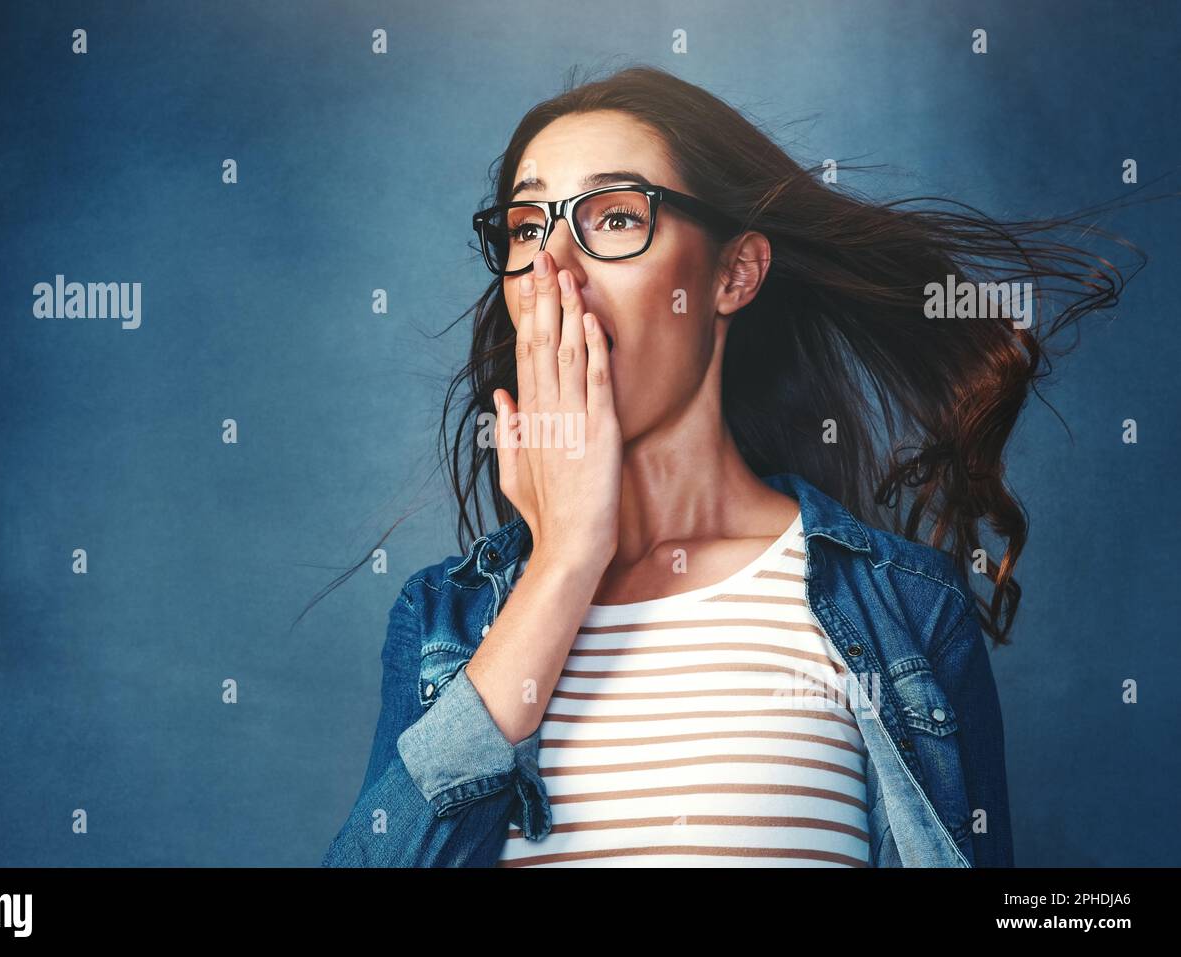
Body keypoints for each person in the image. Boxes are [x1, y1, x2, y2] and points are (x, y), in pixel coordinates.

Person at [316, 64, 1155, 867]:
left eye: (613, 217)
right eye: (529, 227)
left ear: (735, 272)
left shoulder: (910, 608)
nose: (553, 270)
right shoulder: (441, 620)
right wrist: (563, 563)